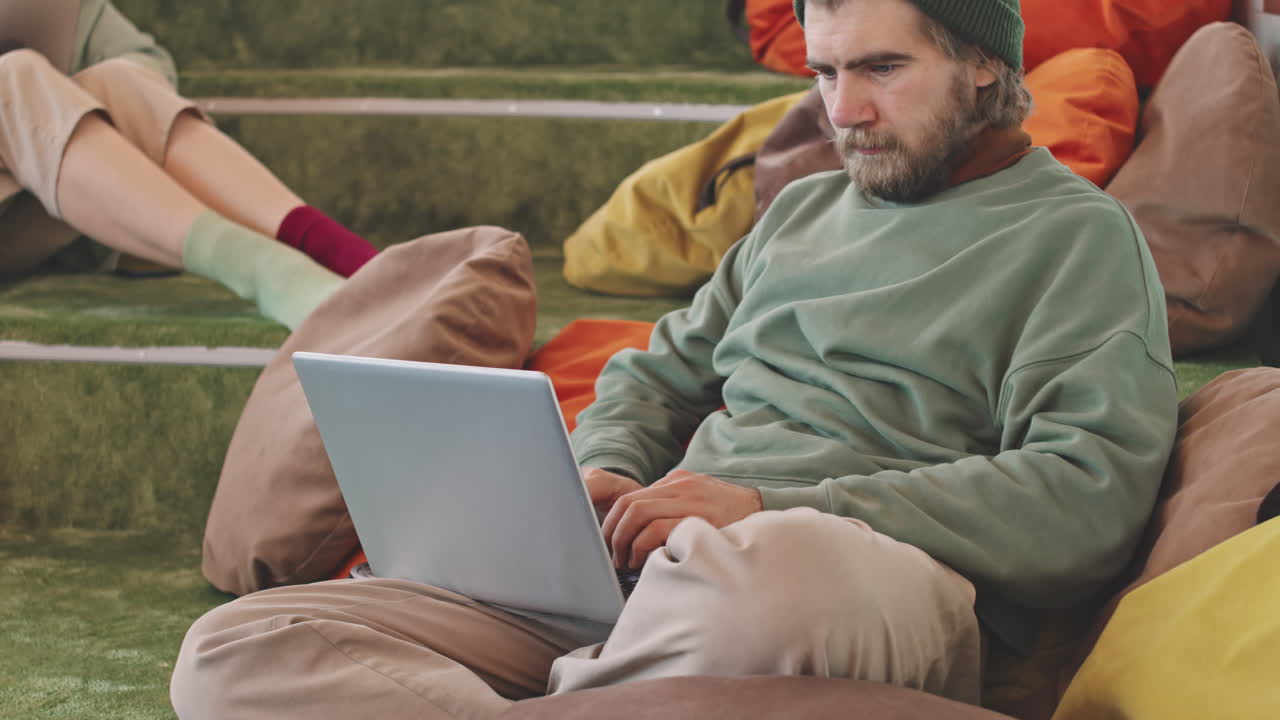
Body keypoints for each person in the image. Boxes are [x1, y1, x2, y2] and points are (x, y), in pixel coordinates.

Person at [170, 0, 1179, 716]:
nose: (841, 111)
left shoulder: (1076, 240)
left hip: (839, 578)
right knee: (232, 653)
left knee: (766, 580)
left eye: (879, 68)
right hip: (656, 579)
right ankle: (623, 693)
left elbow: (1079, 498)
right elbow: (657, 374)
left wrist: (773, 507)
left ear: (982, 66)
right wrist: (599, 471)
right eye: (824, 72)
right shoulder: (802, 215)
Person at [0, 0, 379, 330]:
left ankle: (344, 255)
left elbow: (145, 62)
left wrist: (63, 100)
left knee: (118, 78)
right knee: (11, 78)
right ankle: (264, 269)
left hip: (49, 192)